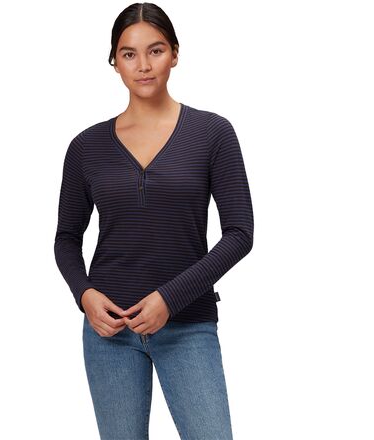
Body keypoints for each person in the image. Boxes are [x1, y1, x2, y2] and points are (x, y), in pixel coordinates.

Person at [54, 3, 254, 439]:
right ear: (114, 61)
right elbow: (67, 238)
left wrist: (170, 298)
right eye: (129, 54)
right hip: (110, 332)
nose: (143, 65)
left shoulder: (213, 133)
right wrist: (85, 295)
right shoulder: (86, 147)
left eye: (156, 50)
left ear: (175, 54)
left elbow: (240, 234)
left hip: (189, 326)